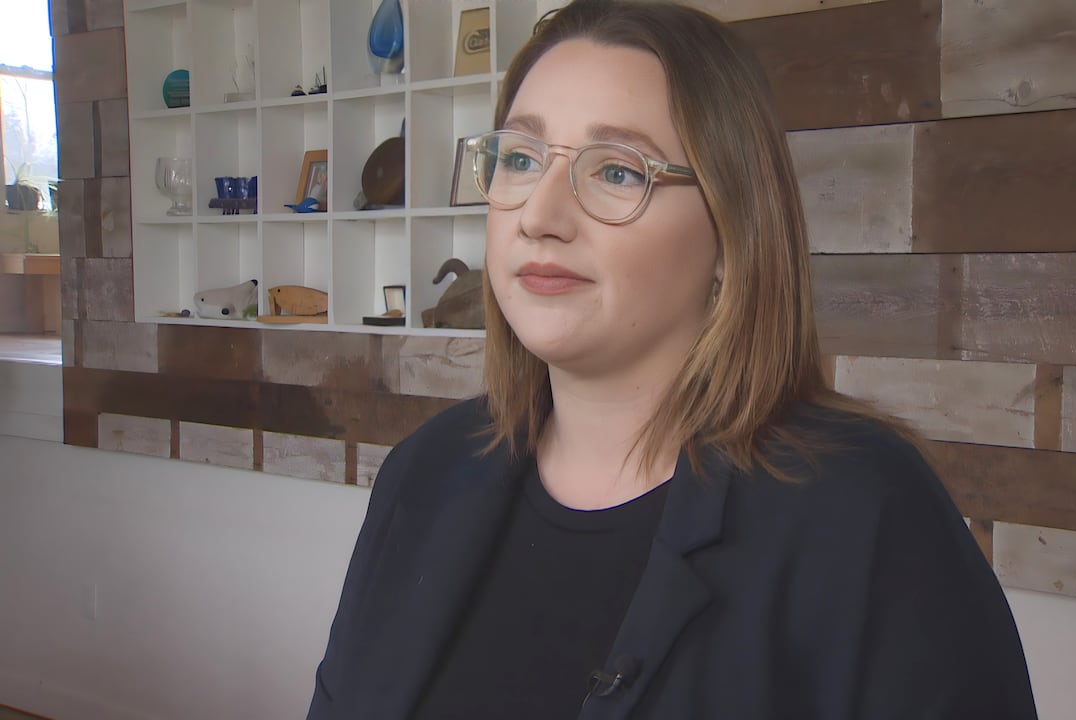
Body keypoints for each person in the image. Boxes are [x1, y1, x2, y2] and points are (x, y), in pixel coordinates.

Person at [307, 1, 1038, 717]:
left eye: (617, 171)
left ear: (730, 233)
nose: (540, 216)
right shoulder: (424, 474)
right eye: (522, 159)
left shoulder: (866, 513)